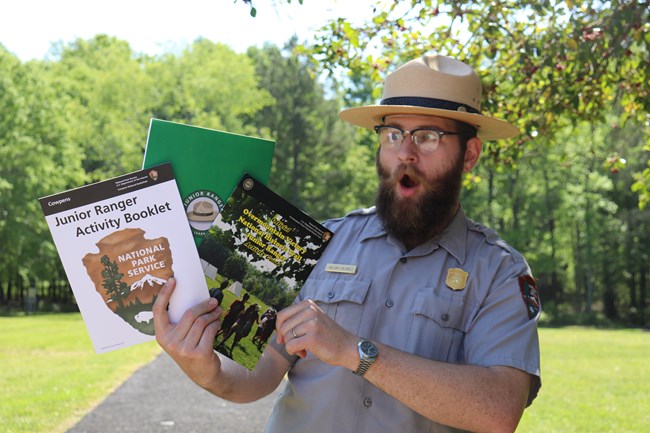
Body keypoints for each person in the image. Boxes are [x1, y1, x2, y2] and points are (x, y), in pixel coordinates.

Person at [153, 53, 542, 433]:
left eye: (427, 137)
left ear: (469, 154)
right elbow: (262, 370)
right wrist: (208, 371)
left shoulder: (500, 271)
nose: (405, 154)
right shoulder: (314, 241)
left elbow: (499, 411)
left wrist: (355, 351)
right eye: (393, 135)